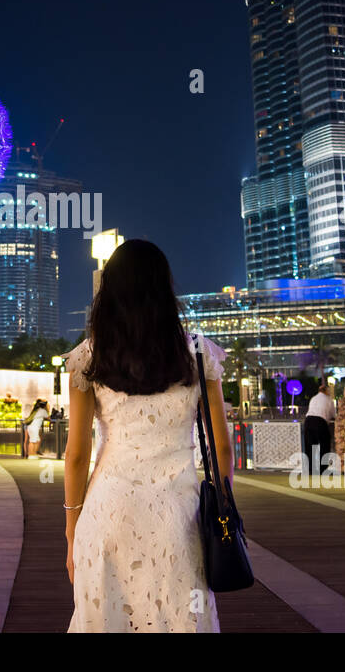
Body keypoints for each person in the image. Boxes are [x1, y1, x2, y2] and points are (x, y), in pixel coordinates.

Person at [63, 239, 229, 632]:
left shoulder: (88, 357)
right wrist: (223, 512)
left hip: (107, 514)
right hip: (181, 517)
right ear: (165, 289)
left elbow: (76, 455)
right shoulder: (198, 355)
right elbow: (221, 446)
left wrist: (71, 529)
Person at [303, 381, 335, 474]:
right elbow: (333, 414)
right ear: (326, 391)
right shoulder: (328, 399)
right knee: (325, 445)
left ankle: (311, 469)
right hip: (320, 421)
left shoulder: (313, 398)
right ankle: (323, 469)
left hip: (308, 421)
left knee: (310, 446)